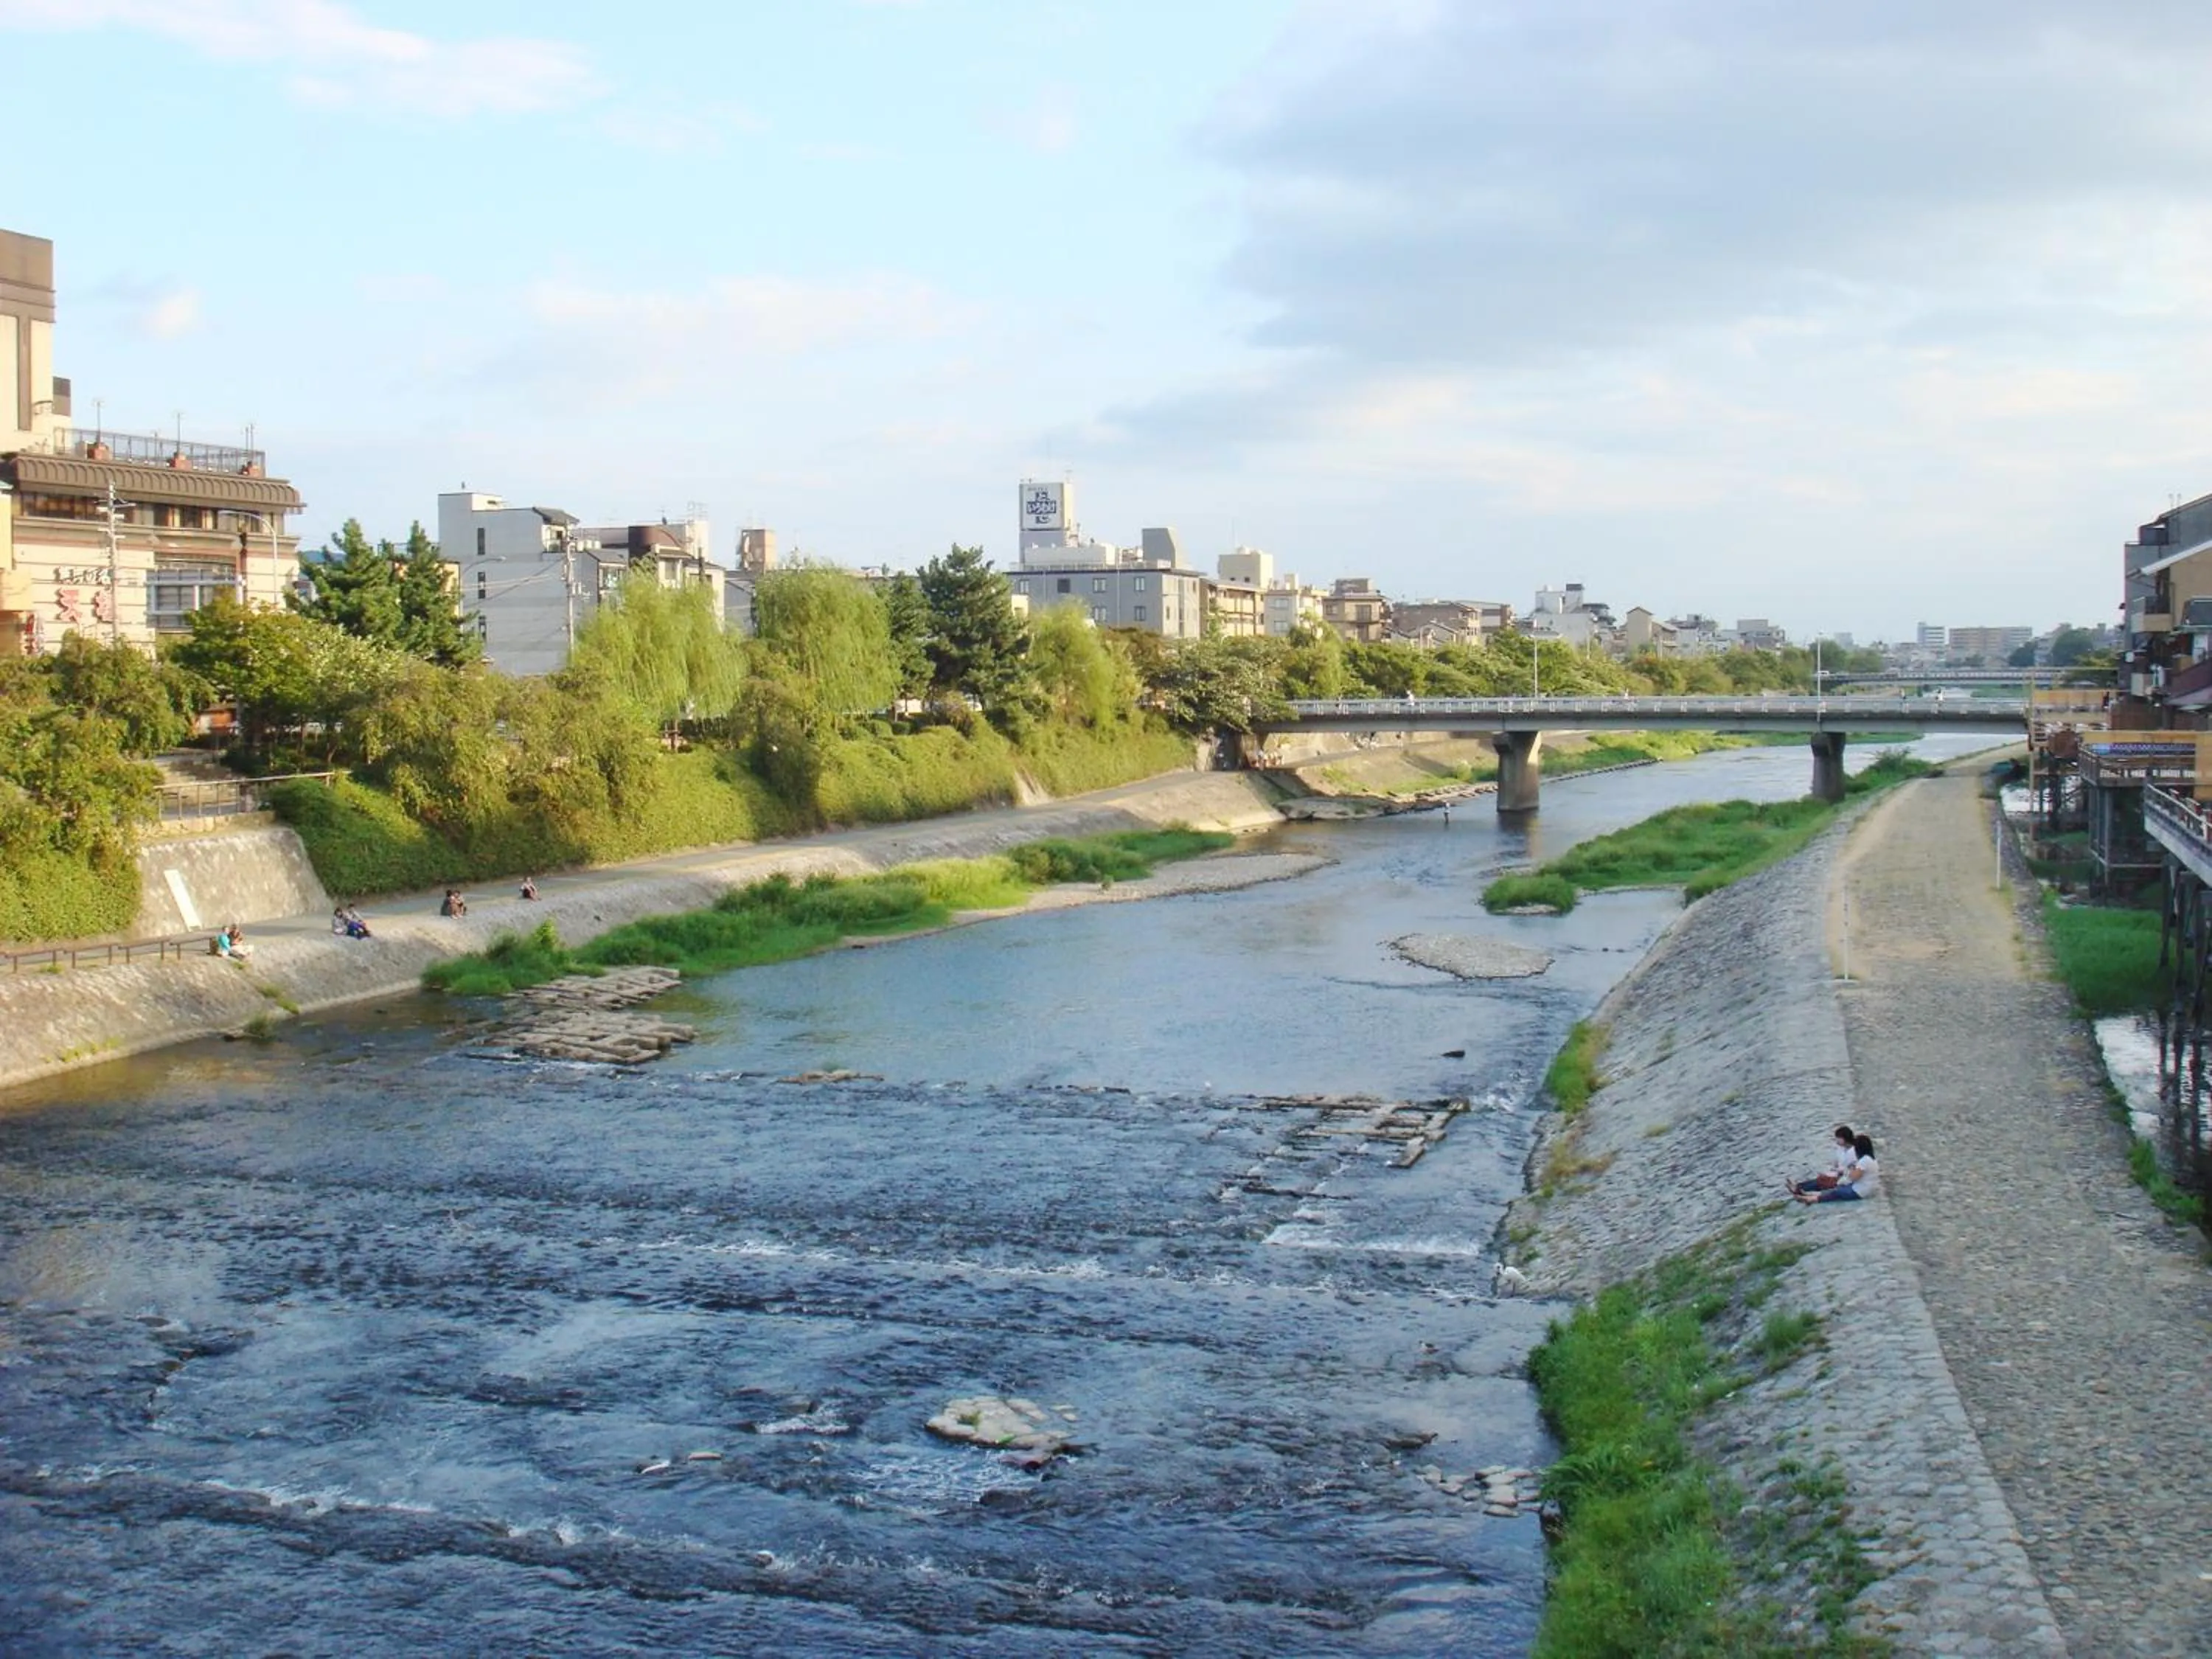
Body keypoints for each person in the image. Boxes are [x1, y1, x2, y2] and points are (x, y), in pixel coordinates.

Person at [1797, 1133, 1877, 1203]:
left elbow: (1854, 1177)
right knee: (1837, 1189)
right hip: (1864, 1189)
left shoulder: (1864, 1161)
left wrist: (1850, 1170)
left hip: (1860, 1191)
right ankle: (1810, 1195)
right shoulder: (1871, 1159)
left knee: (1837, 1193)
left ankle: (1813, 1199)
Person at [1787, 1124, 1856, 1196]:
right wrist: (1834, 1169)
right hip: (1838, 1173)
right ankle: (1799, 1186)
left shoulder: (1853, 1152)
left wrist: (1836, 1171)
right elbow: (1837, 1163)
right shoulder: (1842, 1149)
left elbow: (1849, 1168)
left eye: (1838, 1138)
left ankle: (1799, 1189)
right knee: (1820, 1178)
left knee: (1822, 1180)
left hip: (1844, 1176)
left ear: (1843, 1138)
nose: (1836, 1141)